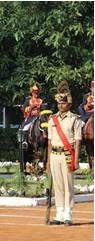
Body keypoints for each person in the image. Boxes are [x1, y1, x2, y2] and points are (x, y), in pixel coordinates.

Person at [47, 81, 82, 226]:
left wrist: (76, 159)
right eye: (59, 103)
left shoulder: (75, 119)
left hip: (68, 154)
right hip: (54, 154)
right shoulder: (52, 119)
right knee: (58, 185)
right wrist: (48, 160)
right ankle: (59, 213)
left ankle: (68, 214)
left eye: (63, 103)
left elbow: (78, 141)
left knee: (68, 185)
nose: (60, 105)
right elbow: (49, 141)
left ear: (69, 104)